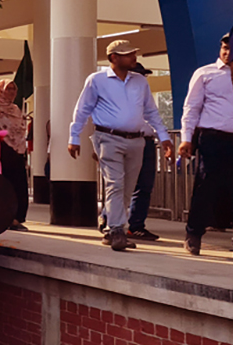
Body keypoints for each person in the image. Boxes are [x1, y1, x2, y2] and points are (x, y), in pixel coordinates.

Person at [69, 39, 172, 251]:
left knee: (128, 187)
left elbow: (151, 111)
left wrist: (164, 136)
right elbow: (82, 109)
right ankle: (117, 230)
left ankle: (113, 228)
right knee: (115, 183)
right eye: (127, 54)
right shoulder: (96, 80)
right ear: (113, 58)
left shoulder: (140, 82)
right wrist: (74, 137)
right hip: (108, 138)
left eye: (133, 53)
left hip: (136, 140)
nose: (133, 57)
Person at [179, 29, 233, 257]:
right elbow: (191, 108)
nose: (227, 52)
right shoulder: (205, 73)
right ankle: (193, 233)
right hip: (213, 138)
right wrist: (185, 139)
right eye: (224, 48)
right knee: (206, 187)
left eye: (231, 48)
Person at [0, 81, 30, 231]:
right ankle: (3, 218)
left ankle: (16, 218)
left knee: (20, 186)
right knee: (3, 187)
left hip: (18, 151)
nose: (11, 92)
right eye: (7, 89)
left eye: (13, 89)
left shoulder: (15, 109)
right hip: (1, 152)